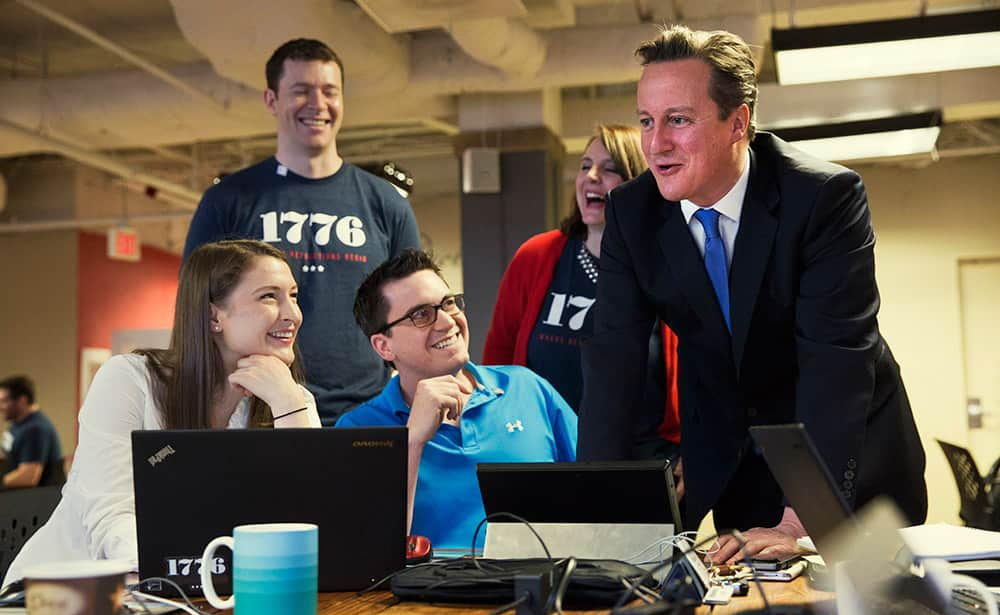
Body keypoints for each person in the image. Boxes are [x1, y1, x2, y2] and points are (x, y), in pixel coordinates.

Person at [578, 25, 927, 562]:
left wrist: (800, 521)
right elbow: (613, 362)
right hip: (737, 458)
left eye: (679, 120)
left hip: (845, 457)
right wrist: (593, 516)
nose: (655, 143)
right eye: (647, 121)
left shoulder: (822, 198)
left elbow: (835, 363)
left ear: (737, 121)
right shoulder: (633, 211)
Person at [2, 240, 320, 589]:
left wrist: (290, 405)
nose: (293, 314)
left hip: (202, 595)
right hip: (68, 593)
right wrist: (191, 570)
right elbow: (111, 515)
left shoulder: (289, 398)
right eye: (269, 297)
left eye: (293, 295)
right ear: (214, 315)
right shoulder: (129, 379)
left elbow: (309, 526)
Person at [183, 38, 421, 425]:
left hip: (366, 414)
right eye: (301, 91)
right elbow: (194, 309)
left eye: (330, 92)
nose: (318, 104)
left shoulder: (386, 204)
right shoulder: (227, 202)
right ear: (272, 100)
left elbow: (413, 311)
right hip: (255, 411)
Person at [337, 249, 577, 554]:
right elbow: (363, 554)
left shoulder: (526, 387)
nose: (448, 322)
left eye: (448, 303)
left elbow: (598, 495)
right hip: (426, 595)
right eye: (421, 314)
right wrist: (411, 441)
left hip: (541, 586)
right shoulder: (358, 429)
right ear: (384, 346)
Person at [482, 124, 681, 460]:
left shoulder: (670, 265)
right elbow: (498, 363)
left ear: (638, 182)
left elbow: (704, 373)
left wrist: (693, 453)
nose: (591, 176)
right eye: (585, 164)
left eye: (610, 169)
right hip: (544, 455)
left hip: (642, 462)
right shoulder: (537, 255)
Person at [0, 375, 63, 489]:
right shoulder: (16, 424)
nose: (1, 407)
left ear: (22, 400)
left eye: (4, 401)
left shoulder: (36, 429)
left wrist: (2, 481)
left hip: (38, 500)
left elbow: (29, 477)